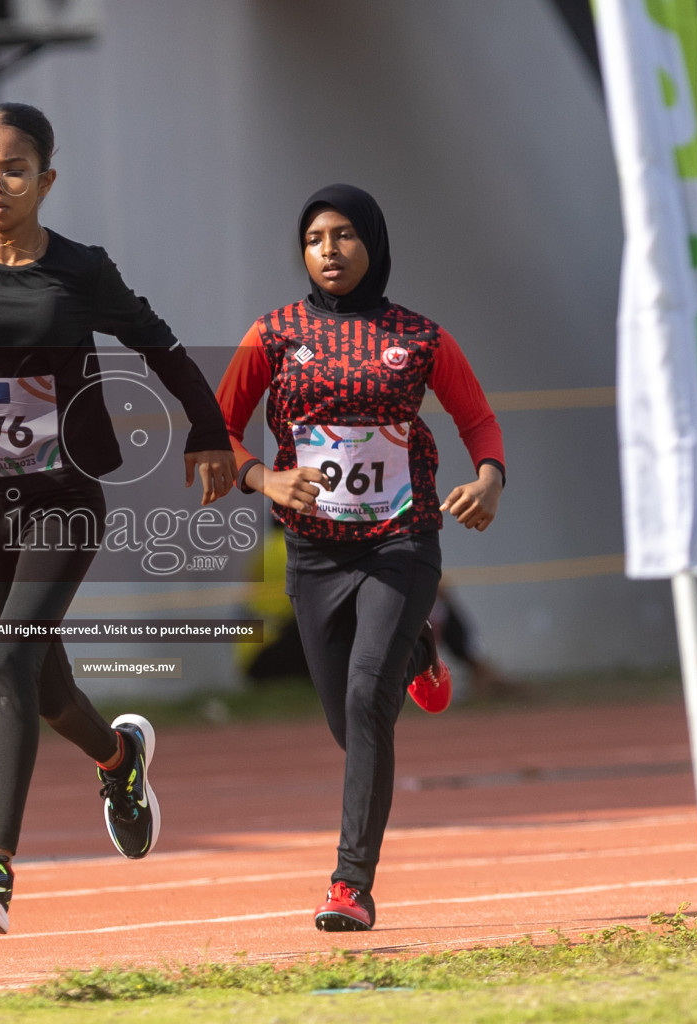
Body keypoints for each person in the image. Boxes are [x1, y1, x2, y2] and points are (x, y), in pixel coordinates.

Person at [0, 97, 236, 935]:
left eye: (14, 170)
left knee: (5, 658)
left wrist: (208, 433)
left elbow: (159, 344)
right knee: (38, 675)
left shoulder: (79, 270)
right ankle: (119, 758)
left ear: (46, 179)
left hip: (64, 495)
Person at [215, 184, 505, 932]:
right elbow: (219, 431)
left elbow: (476, 419)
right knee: (353, 727)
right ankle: (421, 652)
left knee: (364, 700)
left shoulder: (419, 336)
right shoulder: (275, 334)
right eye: (315, 238)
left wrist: (489, 479)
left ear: (372, 242)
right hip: (313, 552)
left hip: (401, 539)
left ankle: (350, 884)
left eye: (344, 235)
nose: (330, 251)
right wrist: (265, 477)